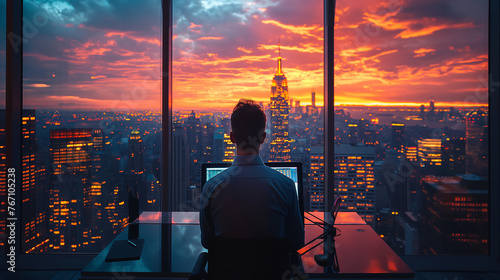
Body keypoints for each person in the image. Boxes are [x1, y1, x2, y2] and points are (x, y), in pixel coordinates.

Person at [200, 99, 304, 251]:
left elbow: (207, 243)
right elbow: (297, 242)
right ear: (263, 137)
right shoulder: (286, 186)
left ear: (232, 137)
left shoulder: (211, 187)